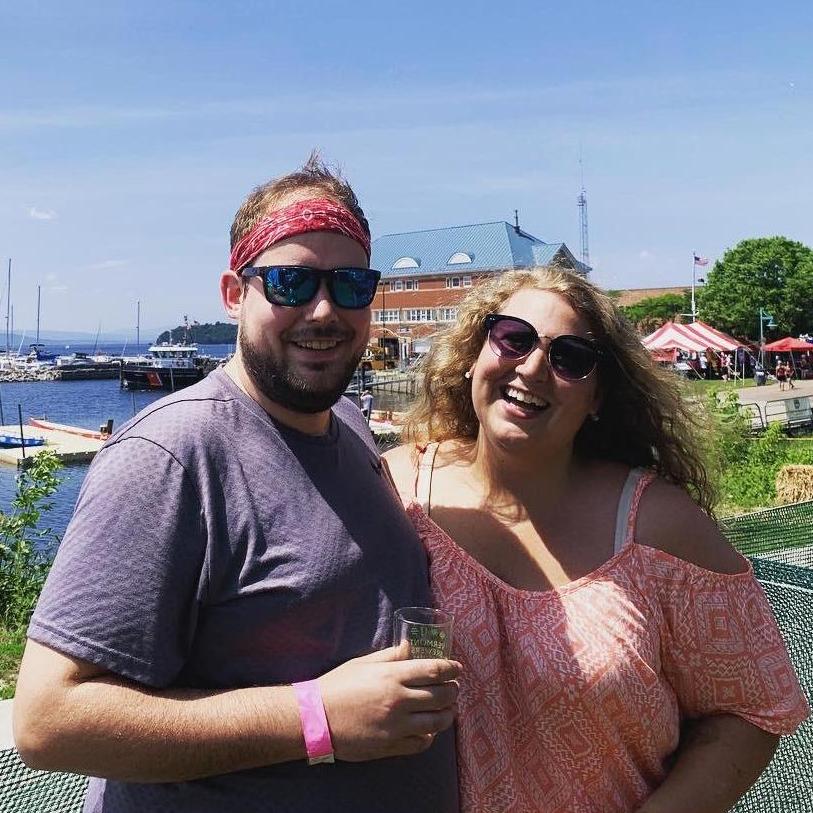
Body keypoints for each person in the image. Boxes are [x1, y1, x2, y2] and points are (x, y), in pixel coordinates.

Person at [13, 155, 460, 813]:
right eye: (289, 282)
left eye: (351, 284)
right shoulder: (170, 455)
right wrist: (317, 717)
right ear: (234, 294)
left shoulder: (346, 420)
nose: (324, 310)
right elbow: (49, 721)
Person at [384, 267, 808, 813]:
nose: (532, 367)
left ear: (598, 395)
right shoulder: (396, 491)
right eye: (513, 337)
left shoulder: (657, 527)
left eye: (571, 357)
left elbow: (752, 709)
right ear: (473, 353)